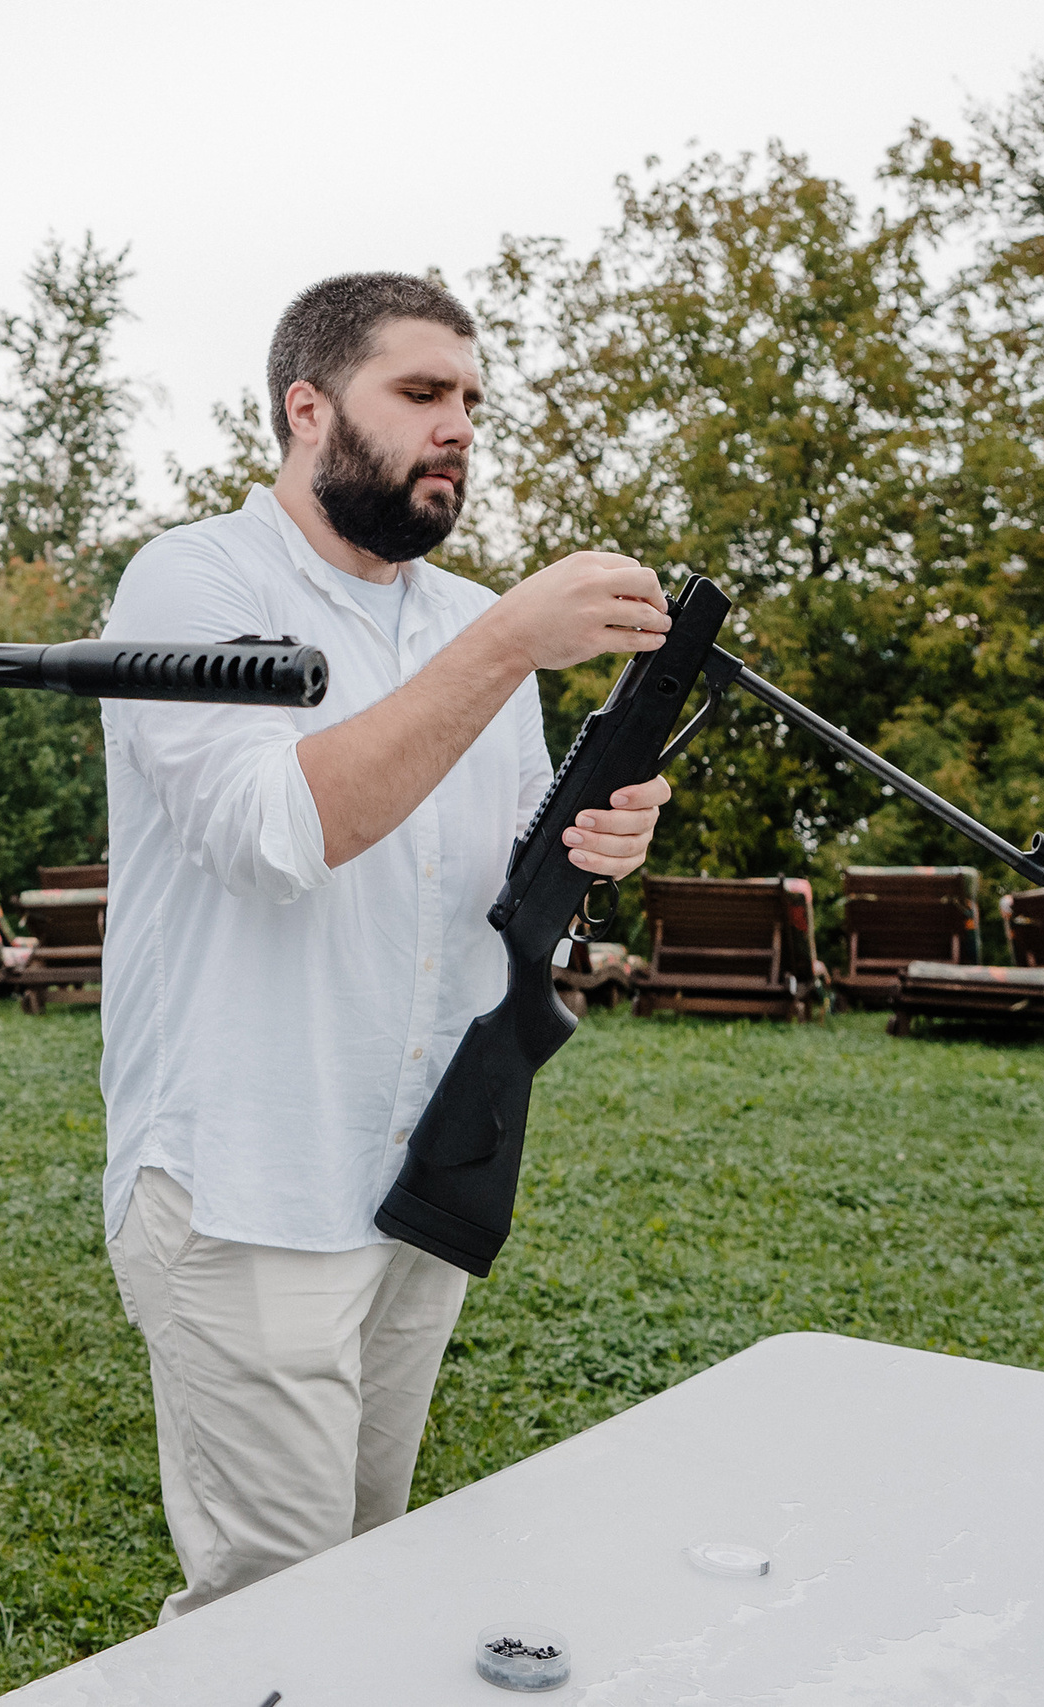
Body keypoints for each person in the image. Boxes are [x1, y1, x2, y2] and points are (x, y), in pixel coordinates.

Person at [98, 273, 674, 1620]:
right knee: (272, 1607)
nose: (458, 425)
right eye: (421, 394)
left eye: (471, 399)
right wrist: (504, 643)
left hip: (420, 1174)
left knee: (366, 1572)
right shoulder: (192, 582)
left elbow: (489, 894)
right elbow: (271, 833)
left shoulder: (468, 620)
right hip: (247, 1183)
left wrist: (596, 848)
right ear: (308, 409)